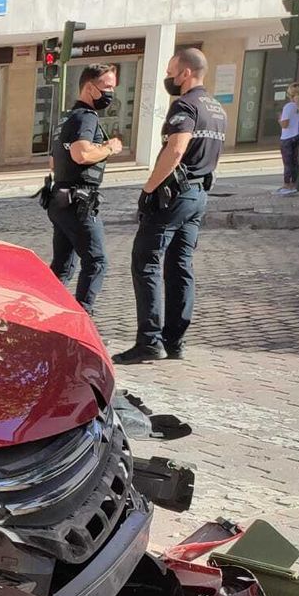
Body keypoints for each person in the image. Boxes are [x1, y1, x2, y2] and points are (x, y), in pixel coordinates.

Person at [116, 48, 226, 364]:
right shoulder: (216, 108)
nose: (169, 77)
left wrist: (149, 189)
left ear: (186, 73)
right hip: (199, 194)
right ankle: (174, 340)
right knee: (180, 266)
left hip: (175, 195)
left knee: (146, 260)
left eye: (171, 71)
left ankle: (149, 340)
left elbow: (176, 149)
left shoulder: (185, 105)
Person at [46, 63, 123, 317]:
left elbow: (53, 161)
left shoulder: (67, 117)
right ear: (90, 87)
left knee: (63, 267)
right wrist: (110, 147)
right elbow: (81, 154)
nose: (111, 93)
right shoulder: (87, 117)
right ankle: (82, 318)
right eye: (107, 87)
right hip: (79, 201)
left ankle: (44, 311)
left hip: (60, 199)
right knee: (96, 261)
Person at [278, 84, 299, 195]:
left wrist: (280, 120)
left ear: (289, 94)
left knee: (287, 162)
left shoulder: (288, 107)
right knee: (294, 160)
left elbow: (285, 125)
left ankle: (286, 184)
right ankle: (294, 184)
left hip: (287, 137)